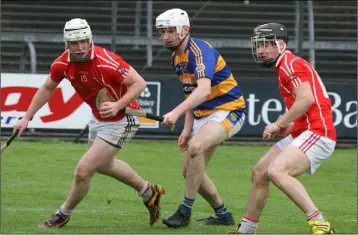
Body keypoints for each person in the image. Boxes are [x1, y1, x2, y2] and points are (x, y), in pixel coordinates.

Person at [13, 18, 165, 228]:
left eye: (84, 40)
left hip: (123, 118)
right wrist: (26, 117)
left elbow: (139, 83)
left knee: (83, 171)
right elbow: (48, 87)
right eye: (74, 43)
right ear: (67, 44)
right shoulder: (62, 64)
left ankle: (62, 214)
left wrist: (118, 104)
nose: (80, 47)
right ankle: (149, 191)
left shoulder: (106, 60)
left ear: (90, 39)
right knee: (103, 166)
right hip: (99, 117)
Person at [230, 23, 336, 234]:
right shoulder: (286, 64)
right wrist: (289, 127)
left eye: (266, 45)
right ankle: (246, 230)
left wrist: (278, 123)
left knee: (277, 171)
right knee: (260, 172)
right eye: (258, 45)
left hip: (318, 132)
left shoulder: (288, 64)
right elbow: (307, 103)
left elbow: (306, 99)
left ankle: (320, 223)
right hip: (305, 130)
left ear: (280, 45)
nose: (260, 50)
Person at [155, 9, 247, 228]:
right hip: (201, 115)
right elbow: (191, 93)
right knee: (189, 171)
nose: (166, 36)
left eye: (171, 30)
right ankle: (223, 214)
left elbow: (204, 91)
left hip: (228, 109)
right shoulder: (175, 57)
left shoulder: (199, 51)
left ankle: (184, 210)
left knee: (196, 148)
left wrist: (175, 113)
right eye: (162, 31)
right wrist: (186, 128)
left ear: (185, 30)